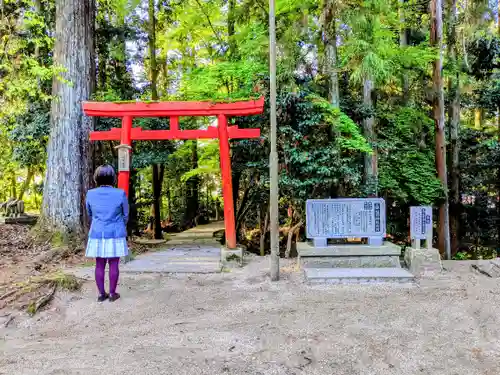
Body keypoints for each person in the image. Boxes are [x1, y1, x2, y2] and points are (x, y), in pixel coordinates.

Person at [85, 165, 129, 302]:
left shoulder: (90, 194)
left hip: (97, 232)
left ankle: (101, 294)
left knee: (99, 263)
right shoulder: (120, 193)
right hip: (115, 232)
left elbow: (89, 213)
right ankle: (112, 293)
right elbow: (126, 215)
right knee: (114, 263)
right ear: (113, 178)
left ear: (96, 178)